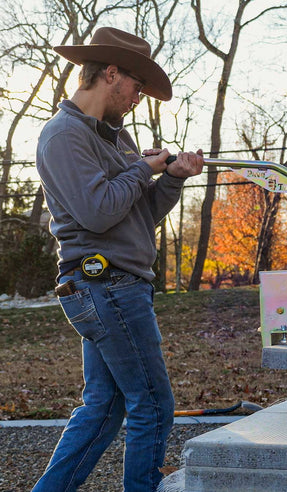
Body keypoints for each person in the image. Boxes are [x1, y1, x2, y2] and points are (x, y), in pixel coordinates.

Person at [32, 27, 204, 491]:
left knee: (105, 407)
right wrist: (142, 168)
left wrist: (172, 178)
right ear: (111, 74)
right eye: (136, 86)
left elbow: (138, 214)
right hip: (104, 285)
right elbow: (98, 211)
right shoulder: (63, 135)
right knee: (153, 403)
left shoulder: (116, 138)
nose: (137, 99)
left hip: (116, 286)